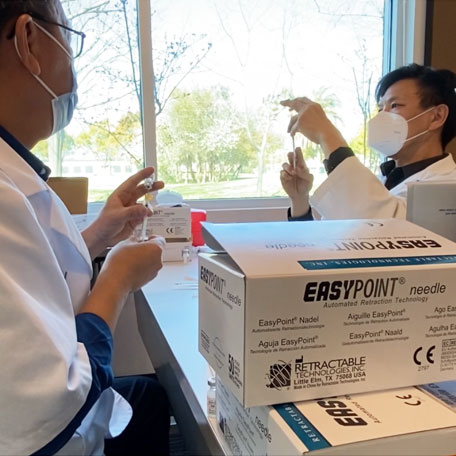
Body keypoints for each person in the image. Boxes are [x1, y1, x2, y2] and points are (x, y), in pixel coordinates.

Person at [0, 1, 170, 455]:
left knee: (152, 398)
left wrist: (96, 235)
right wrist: (117, 278)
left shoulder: (14, 172)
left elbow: (27, 270)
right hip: (50, 435)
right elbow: (59, 399)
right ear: (28, 40)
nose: (74, 70)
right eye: (69, 41)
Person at [280, 64, 456, 220]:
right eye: (380, 109)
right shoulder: (383, 180)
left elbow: (383, 234)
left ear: (437, 116)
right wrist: (300, 200)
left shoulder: (449, 187)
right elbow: (334, 240)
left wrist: (326, 134)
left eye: (394, 105)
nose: (381, 116)